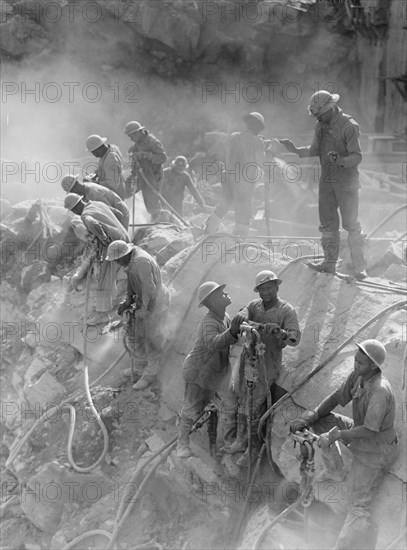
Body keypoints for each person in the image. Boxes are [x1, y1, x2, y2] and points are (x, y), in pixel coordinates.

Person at [290, 339, 399, 550]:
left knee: (357, 504)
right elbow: (336, 397)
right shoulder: (359, 376)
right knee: (323, 419)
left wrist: (338, 435)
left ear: (373, 367)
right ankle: (337, 471)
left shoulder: (379, 391)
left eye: (361, 363)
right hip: (360, 434)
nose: (355, 366)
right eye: (356, 361)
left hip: (377, 449)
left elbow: (369, 430)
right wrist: (310, 417)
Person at [279, 91, 367, 280]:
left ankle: (359, 265)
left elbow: (357, 156)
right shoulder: (321, 126)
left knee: (351, 224)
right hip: (327, 180)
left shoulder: (349, 126)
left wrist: (341, 160)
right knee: (327, 223)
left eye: (319, 115)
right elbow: (314, 150)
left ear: (329, 109)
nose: (317, 118)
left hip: (347, 182)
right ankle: (329, 263)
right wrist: (295, 150)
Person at [225, 270, 301, 466]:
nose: (265, 292)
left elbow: (295, 338)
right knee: (243, 398)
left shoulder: (286, 310)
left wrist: (281, 332)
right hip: (248, 359)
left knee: (256, 406)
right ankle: (241, 440)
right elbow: (244, 312)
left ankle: (253, 449)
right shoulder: (254, 305)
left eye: (269, 287)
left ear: (277, 287)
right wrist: (242, 314)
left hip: (267, 364)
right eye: (262, 289)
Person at [177, 282, 242, 458]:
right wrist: (233, 332)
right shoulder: (208, 323)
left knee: (230, 405)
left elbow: (231, 339)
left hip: (219, 372)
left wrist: (240, 330)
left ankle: (228, 444)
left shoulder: (224, 316)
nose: (226, 293)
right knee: (191, 410)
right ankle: (181, 444)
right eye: (221, 293)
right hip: (200, 373)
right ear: (211, 302)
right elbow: (214, 342)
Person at [105, 240, 170, 390]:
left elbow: (149, 290)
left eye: (117, 260)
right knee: (138, 335)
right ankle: (140, 368)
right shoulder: (130, 261)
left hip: (156, 304)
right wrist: (127, 301)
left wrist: (145, 310)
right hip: (144, 302)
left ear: (124, 256)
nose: (116, 263)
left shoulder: (141, 262)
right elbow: (132, 282)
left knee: (153, 340)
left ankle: (149, 376)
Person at [64, 194, 129, 326]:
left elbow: (93, 224)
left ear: (74, 209)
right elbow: (118, 213)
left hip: (113, 243)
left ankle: (102, 313)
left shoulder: (85, 215)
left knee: (104, 275)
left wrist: (102, 239)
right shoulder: (98, 203)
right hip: (124, 236)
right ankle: (119, 295)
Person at [204, 112, 267, 236]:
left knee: (226, 202)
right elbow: (261, 162)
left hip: (228, 175)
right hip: (244, 180)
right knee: (244, 207)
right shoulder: (258, 142)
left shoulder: (234, 136)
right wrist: (268, 152)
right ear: (259, 128)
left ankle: (209, 229)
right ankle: (239, 237)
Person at [124, 121, 167, 222]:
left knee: (152, 202)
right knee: (123, 189)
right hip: (139, 174)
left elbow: (163, 158)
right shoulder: (136, 145)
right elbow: (135, 163)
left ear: (137, 133)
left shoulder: (152, 142)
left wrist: (146, 155)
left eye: (131, 136)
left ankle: (157, 222)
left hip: (153, 176)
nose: (130, 138)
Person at [61, 174, 130, 229]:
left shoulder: (93, 193)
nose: (73, 193)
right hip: (115, 213)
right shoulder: (85, 191)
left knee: (120, 238)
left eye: (72, 190)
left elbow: (109, 212)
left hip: (120, 212)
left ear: (76, 184)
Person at [85, 134, 125, 199]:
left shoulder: (110, 159)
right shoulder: (110, 149)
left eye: (93, 152)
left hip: (114, 197)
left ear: (99, 149)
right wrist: (95, 174)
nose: (93, 155)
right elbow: (104, 167)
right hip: (114, 193)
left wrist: (94, 183)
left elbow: (112, 184)